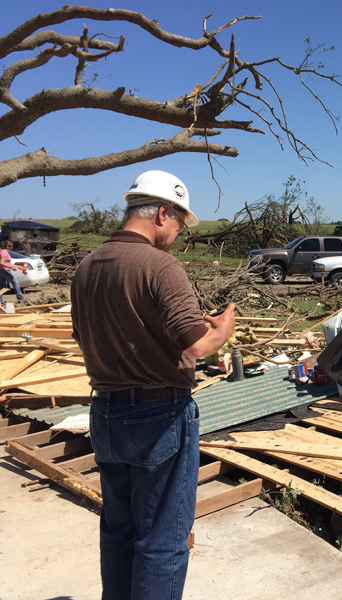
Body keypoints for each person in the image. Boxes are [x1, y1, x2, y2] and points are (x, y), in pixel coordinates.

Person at [71, 170, 235, 600]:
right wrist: (224, 329)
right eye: (179, 225)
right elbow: (199, 346)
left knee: (119, 532)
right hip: (158, 417)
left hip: (105, 412)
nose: (177, 236)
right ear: (163, 213)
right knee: (162, 540)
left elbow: (94, 334)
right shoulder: (160, 266)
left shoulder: (87, 267)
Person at [0, 240, 26, 305]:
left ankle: (0, 300)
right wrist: (11, 267)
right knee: (15, 283)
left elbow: (8, 263)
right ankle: (20, 298)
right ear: (7, 246)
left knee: (2, 286)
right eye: (10, 246)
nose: (11, 247)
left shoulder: (6, 252)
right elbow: (1, 263)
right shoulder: (4, 252)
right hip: (5, 270)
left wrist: (18, 266)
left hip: (4, 270)